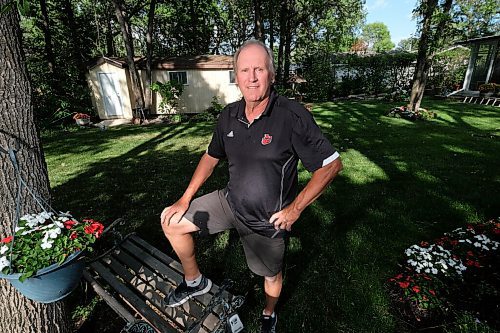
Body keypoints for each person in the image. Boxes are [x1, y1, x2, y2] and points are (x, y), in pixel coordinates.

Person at [160, 39, 342, 333]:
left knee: (269, 275)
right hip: (231, 202)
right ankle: (195, 281)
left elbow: (331, 165)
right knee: (171, 221)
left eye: (259, 69)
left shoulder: (291, 116)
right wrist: (185, 198)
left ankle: (269, 313)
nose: (252, 77)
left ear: (271, 74)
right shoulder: (229, 115)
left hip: (266, 221)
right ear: (236, 76)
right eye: (245, 70)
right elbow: (211, 156)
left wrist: (294, 210)